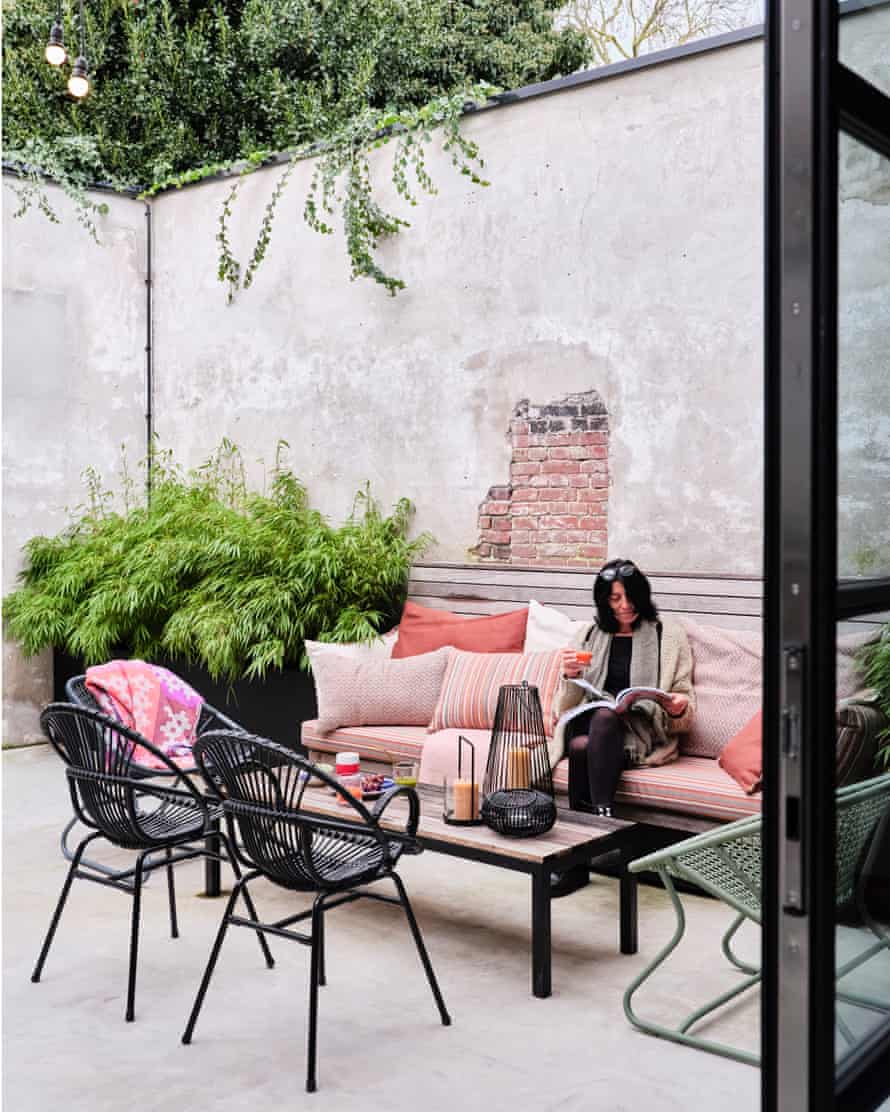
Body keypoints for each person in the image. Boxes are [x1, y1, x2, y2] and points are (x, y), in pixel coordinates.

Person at [552, 558, 696, 817]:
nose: (625, 605)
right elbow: (562, 709)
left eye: (631, 596)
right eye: (615, 598)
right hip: (590, 720)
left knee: (580, 748)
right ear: (604, 601)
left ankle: (590, 826)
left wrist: (676, 709)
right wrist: (569, 676)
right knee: (603, 716)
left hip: (641, 728)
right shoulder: (588, 636)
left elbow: (684, 710)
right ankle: (603, 819)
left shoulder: (669, 635)